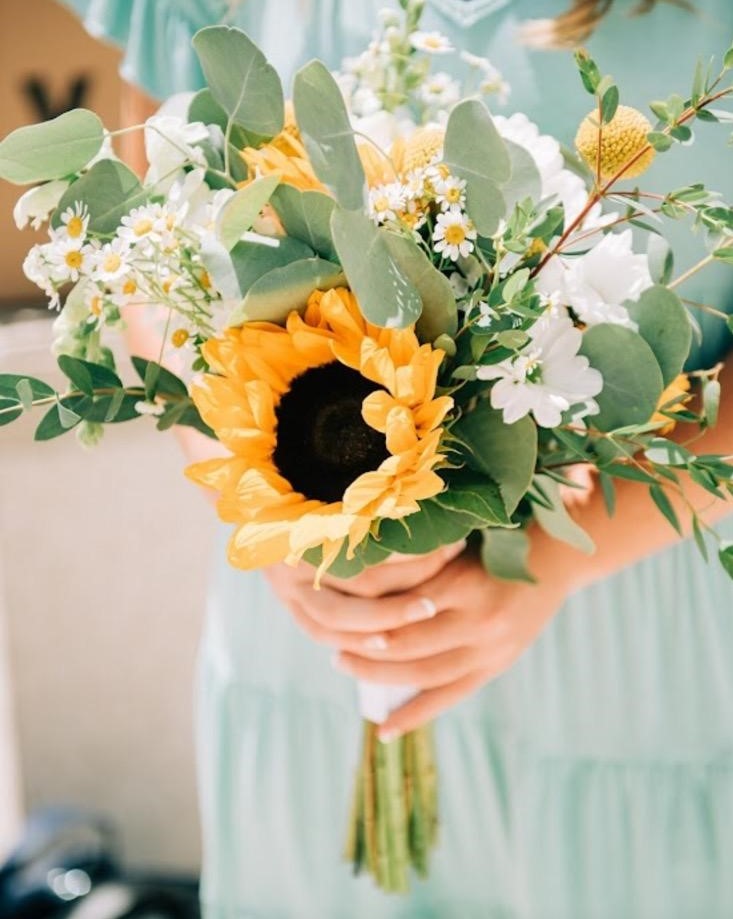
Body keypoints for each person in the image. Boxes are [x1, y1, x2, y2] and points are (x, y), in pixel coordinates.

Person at [62, 1, 733, 915]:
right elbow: (145, 243)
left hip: (628, 629)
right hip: (310, 633)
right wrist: (274, 502)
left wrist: (556, 553)